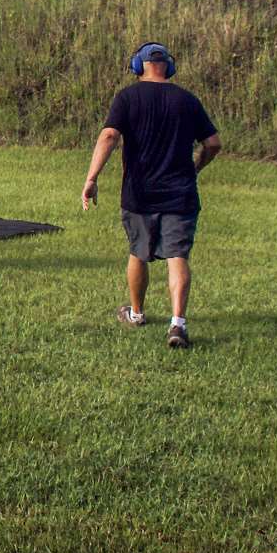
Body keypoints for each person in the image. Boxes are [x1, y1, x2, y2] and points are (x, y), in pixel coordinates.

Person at [82, 42, 221, 348]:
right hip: (180, 193)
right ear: (168, 67)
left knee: (138, 253)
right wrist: (196, 167)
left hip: (139, 193)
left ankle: (137, 313)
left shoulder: (127, 97)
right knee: (178, 256)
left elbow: (109, 135)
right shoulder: (187, 100)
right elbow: (213, 143)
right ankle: (177, 324)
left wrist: (92, 178)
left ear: (138, 66)